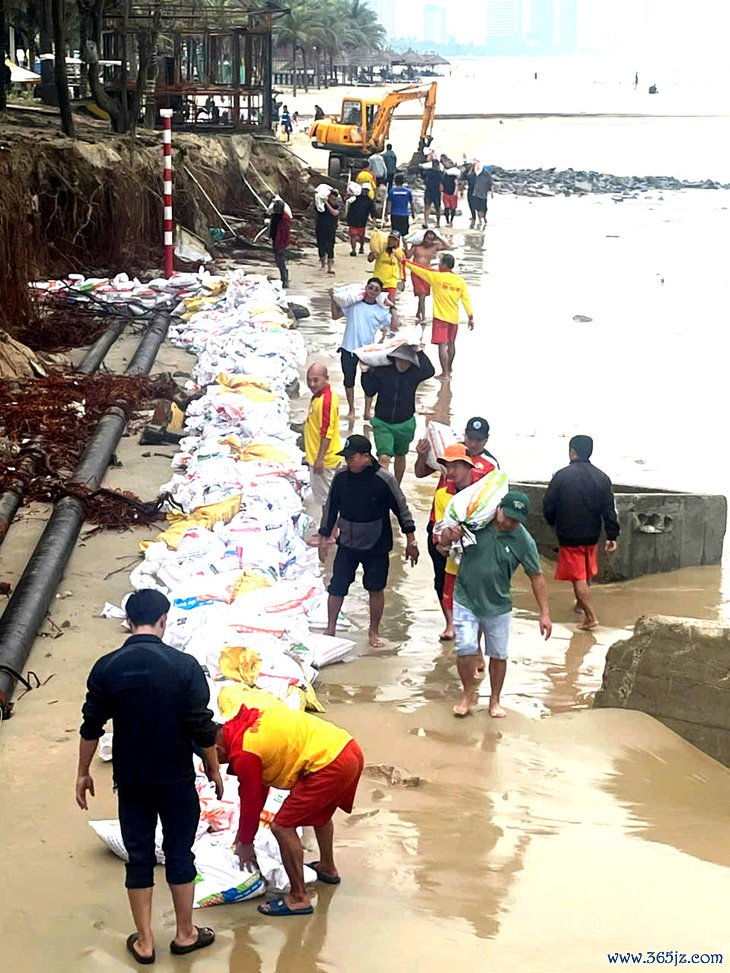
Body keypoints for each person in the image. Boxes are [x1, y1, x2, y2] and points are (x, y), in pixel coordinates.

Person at [76, 590, 221, 964]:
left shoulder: (107, 666)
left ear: (128, 620)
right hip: (175, 777)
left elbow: (91, 724)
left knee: (139, 857)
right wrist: (213, 768)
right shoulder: (183, 665)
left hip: (132, 779)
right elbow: (201, 727)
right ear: (163, 619)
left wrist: (82, 773)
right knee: (179, 853)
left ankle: (144, 943)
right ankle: (186, 934)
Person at [216, 702, 364, 917]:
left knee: (282, 826)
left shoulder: (244, 753)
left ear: (217, 750)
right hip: (346, 748)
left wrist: (245, 841)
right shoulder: (244, 723)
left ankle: (298, 898)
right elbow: (260, 785)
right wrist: (245, 835)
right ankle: (327, 867)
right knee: (319, 814)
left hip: (328, 764)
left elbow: (252, 799)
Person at [438, 492, 552, 718]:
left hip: (498, 604)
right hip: (465, 598)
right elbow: (443, 543)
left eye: (516, 520)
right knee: (466, 648)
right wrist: (450, 535)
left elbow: (536, 576)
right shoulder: (476, 524)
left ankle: (495, 700)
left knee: (498, 654)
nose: (510, 523)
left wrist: (544, 614)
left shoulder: (523, 540)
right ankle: (468, 694)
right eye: (507, 516)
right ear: (498, 508)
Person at [320, 433, 418, 647]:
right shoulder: (341, 477)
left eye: (351, 457)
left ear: (366, 457)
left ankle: (373, 632)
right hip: (347, 541)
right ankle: (330, 627)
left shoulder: (384, 479)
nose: (347, 462)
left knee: (375, 588)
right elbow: (330, 508)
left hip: (376, 543)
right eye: (346, 458)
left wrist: (411, 539)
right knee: (337, 586)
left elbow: (402, 509)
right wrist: (324, 536)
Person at [415, 417, 500, 640]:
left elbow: (494, 501)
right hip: (440, 521)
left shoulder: (490, 466)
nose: (473, 443)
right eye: (470, 438)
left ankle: (473, 634)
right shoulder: (450, 452)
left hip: (470, 533)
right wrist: (422, 455)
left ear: (486, 440)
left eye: (478, 440)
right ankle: (450, 623)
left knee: (472, 584)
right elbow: (421, 472)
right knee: (442, 579)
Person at [543, 435, 620, 631]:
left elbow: (548, 505)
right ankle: (579, 604)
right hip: (592, 534)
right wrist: (612, 535)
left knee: (578, 576)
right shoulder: (602, 478)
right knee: (586, 569)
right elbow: (609, 510)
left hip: (570, 534)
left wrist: (553, 523)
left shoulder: (561, 476)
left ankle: (590, 617)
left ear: (572, 451)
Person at [361, 344, 435, 483]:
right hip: (382, 422)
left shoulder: (414, 373)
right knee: (384, 457)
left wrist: (419, 351)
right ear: (394, 358)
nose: (403, 363)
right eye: (400, 359)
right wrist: (365, 372)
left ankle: (396, 487)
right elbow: (369, 390)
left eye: (407, 360)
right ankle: (384, 488)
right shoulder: (382, 371)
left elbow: (430, 371)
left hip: (405, 423)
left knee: (401, 454)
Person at [330, 277, 398, 419]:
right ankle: (351, 409)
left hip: (367, 352)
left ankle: (367, 412)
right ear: (366, 288)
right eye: (371, 288)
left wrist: (392, 307)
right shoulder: (354, 304)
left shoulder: (380, 311)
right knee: (349, 380)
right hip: (348, 349)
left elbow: (394, 326)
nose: (372, 291)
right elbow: (335, 316)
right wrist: (333, 298)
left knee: (369, 382)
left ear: (379, 293)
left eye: (376, 290)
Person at [407, 253, 474, 380]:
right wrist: (470, 317)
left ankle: (445, 374)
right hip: (454, 318)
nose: (438, 264)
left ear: (443, 264)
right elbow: (466, 300)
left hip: (440, 318)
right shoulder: (460, 281)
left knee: (442, 346)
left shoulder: (436, 276)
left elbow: (419, 270)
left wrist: (404, 261)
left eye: (440, 262)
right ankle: (449, 368)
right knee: (452, 344)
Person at [304, 362, 342, 514]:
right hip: (318, 457)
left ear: (327, 378)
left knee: (328, 499)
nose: (311, 384)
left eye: (316, 380)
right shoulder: (319, 396)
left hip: (324, 460)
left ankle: (328, 535)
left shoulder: (326, 400)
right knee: (324, 497)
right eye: (309, 380)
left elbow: (327, 432)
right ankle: (328, 532)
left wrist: (320, 458)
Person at [405, 229, 448, 326]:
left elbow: (448, 246)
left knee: (423, 295)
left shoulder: (434, 247)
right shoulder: (416, 246)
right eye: (427, 239)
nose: (428, 241)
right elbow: (408, 256)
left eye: (431, 239)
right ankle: (423, 317)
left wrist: (439, 237)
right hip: (416, 272)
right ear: (423, 238)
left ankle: (418, 313)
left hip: (427, 273)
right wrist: (405, 245)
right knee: (422, 295)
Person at [367, 230, 405, 302]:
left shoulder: (399, 252)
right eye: (390, 238)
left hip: (392, 280)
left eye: (394, 240)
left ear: (397, 242)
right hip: (379, 279)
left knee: (391, 299)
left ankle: (391, 313)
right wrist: (373, 254)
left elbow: (402, 266)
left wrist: (403, 280)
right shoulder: (381, 248)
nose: (391, 241)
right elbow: (370, 259)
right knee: (376, 300)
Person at [314, 186, 340, 275]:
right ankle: (322, 265)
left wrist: (327, 204)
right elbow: (317, 207)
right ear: (328, 198)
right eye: (332, 199)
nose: (334, 201)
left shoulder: (336, 206)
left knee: (330, 249)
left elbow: (335, 213)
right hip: (320, 229)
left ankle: (330, 267)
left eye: (335, 199)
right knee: (321, 247)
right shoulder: (321, 205)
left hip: (331, 230)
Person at [345, 183, 375, 256]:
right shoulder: (354, 197)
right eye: (364, 189)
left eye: (367, 190)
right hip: (352, 220)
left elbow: (372, 211)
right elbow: (346, 202)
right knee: (353, 235)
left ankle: (361, 247)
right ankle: (353, 250)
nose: (365, 191)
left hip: (362, 221)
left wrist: (374, 220)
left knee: (361, 237)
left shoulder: (369, 200)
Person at [269, 198, 291, 288]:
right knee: (278, 260)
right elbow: (272, 227)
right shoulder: (274, 216)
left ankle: (285, 279)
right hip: (275, 239)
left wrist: (284, 243)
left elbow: (286, 232)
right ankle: (284, 275)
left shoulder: (285, 218)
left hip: (281, 241)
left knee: (280, 260)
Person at [387, 173, 415, 238]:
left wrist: (386, 214)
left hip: (394, 215)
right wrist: (413, 214)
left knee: (395, 234)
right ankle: (405, 247)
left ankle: (396, 247)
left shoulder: (392, 191)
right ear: (403, 181)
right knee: (405, 234)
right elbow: (411, 203)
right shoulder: (407, 191)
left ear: (395, 181)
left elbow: (389, 204)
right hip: (404, 215)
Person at [422, 160, 443, 228]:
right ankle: (438, 223)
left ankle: (426, 223)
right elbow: (443, 180)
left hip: (429, 191)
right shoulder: (439, 173)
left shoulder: (428, 171)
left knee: (427, 207)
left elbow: (423, 176)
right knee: (437, 208)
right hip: (436, 192)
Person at [472, 163, 493, 229]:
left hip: (484, 194)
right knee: (478, 208)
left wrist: (492, 193)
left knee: (484, 209)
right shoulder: (475, 173)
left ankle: (484, 217)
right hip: (476, 193)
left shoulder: (487, 175)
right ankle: (480, 220)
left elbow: (491, 184)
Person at [461, 160, 478, 228]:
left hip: (476, 189)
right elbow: (463, 179)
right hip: (471, 189)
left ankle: (476, 217)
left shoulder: (476, 172)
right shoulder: (466, 172)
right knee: (471, 203)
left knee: (475, 204)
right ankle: (474, 216)